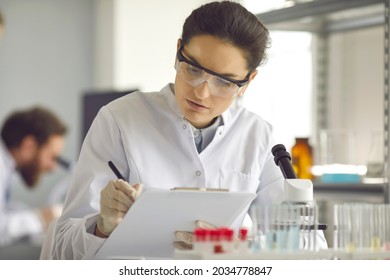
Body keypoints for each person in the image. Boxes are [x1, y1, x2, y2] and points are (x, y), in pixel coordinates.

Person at [53, 1, 326, 259]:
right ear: (178, 51)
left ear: (248, 81)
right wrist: (102, 228)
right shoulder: (119, 119)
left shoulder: (257, 135)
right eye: (193, 69)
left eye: (224, 82)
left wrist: (241, 247)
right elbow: (60, 249)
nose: (202, 92)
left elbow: (312, 244)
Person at [0, 106, 67, 245]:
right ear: (28, 146)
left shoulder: (7, 167)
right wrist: (41, 218)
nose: (53, 168)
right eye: (52, 157)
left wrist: (38, 214)